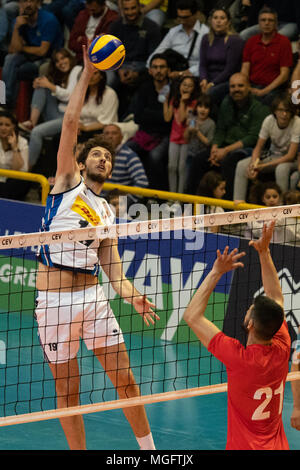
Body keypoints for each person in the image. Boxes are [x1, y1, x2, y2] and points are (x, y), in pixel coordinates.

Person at [34, 44, 159, 451]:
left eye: (108, 156)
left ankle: (150, 451)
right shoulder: (66, 184)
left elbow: (114, 270)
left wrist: (133, 297)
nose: (103, 159)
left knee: (126, 380)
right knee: (68, 392)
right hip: (54, 303)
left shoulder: (107, 211)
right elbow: (70, 123)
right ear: (82, 162)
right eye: (97, 154)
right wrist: (87, 73)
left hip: (94, 297)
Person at [183, 220, 291, 450]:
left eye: (250, 309)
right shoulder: (282, 345)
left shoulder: (239, 358)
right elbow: (277, 298)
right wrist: (264, 252)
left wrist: (216, 272)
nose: (247, 308)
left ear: (250, 324)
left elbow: (192, 316)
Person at [191, 72, 269, 200]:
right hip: (224, 146)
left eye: (240, 86)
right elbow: (220, 129)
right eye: (233, 86)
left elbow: (253, 137)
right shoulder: (226, 102)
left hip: (247, 149)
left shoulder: (259, 108)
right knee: (198, 160)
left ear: (249, 87)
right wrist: (214, 148)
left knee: (229, 162)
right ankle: (193, 206)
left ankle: (227, 211)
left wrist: (226, 150)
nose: (236, 89)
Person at [18, 48, 82, 169]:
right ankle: (31, 122)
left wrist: (49, 85)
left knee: (37, 132)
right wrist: (40, 83)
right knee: (41, 85)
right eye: (57, 61)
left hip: (70, 118)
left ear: (70, 58)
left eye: (63, 58)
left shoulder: (77, 70)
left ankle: (26, 170)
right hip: (57, 113)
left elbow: (70, 95)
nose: (61, 63)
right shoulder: (60, 75)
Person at [233, 93, 300, 202]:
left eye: (287, 111)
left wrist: (264, 166)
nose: (284, 114)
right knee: (242, 165)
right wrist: (253, 165)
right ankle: (238, 206)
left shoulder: (297, 122)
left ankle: (280, 209)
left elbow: (290, 156)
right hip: (273, 155)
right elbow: (258, 147)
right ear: (275, 111)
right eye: (281, 110)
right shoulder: (269, 120)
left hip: (292, 160)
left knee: (281, 169)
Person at [2, 0, 64, 109]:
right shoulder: (19, 21)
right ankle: (3, 100)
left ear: (37, 3)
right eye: (24, 1)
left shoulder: (48, 19)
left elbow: (42, 51)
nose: (28, 4)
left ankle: (8, 106)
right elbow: (13, 50)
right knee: (9, 58)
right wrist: (16, 28)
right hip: (30, 56)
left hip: (49, 59)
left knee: (16, 71)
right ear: (19, 4)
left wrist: (22, 48)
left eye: (31, 1)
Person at [127, 53, 171, 191]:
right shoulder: (145, 88)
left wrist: (150, 115)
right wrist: (161, 116)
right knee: (126, 150)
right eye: (155, 67)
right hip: (144, 134)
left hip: (165, 135)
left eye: (162, 67)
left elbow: (170, 121)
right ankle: (128, 193)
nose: (158, 70)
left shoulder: (174, 89)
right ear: (150, 71)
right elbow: (138, 117)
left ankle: (158, 196)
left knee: (155, 156)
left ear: (168, 70)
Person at [241, 7, 293, 106]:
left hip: (273, 88)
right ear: (259, 24)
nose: (267, 23)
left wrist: (264, 91)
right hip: (252, 84)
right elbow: (245, 69)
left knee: (260, 103)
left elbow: (284, 75)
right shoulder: (251, 41)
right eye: (263, 20)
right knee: (232, 96)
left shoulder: (284, 42)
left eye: (270, 20)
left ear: (276, 24)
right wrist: (246, 86)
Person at [147, 0, 209, 79]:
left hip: (195, 76)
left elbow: (207, 62)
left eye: (186, 17)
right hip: (172, 74)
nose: (182, 21)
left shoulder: (205, 33)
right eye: (180, 17)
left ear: (196, 14)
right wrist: (150, 67)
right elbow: (159, 51)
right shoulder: (173, 31)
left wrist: (183, 73)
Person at [199, 7, 244, 105]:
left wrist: (212, 83)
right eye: (215, 18)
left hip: (225, 81)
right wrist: (204, 79)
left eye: (222, 18)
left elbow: (230, 69)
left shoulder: (235, 40)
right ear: (211, 21)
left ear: (228, 22)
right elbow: (202, 64)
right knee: (187, 86)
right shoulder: (206, 38)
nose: (218, 21)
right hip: (208, 79)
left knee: (210, 93)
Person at [163, 75, 200, 193]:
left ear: (194, 89)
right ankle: (172, 196)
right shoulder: (175, 100)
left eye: (190, 86)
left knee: (181, 168)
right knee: (172, 167)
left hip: (186, 140)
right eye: (184, 85)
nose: (186, 88)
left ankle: (179, 197)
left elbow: (182, 119)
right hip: (174, 138)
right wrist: (166, 101)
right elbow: (167, 118)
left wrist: (184, 102)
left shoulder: (194, 103)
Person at [102, 123, 149, 204]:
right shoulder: (98, 155)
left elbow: (142, 182)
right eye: (107, 133)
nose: (110, 136)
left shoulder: (129, 155)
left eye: (114, 133)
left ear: (121, 137)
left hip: (118, 202)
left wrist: (126, 200)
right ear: (102, 137)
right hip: (99, 199)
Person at [68, 0, 119, 64]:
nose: (90, 13)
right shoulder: (83, 14)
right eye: (88, 9)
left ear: (103, 5)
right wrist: (93, 41)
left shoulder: (112, 18)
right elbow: (71, 44)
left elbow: (102, 48)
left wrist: (82, 40)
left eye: (93, 10)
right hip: (81, 59)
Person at [183, 94, 215, 194]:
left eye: (206, 107)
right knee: (187, 180)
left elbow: (208, 142)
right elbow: (185, 138)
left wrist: (197, 132)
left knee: (198, 182)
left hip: (201, 158)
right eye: (200, 106)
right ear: (196, 108)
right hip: (190, 155)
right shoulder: (193, 120)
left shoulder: (211, 123)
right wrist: (188, 130)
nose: (202, 110)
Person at [77, 68, 119, 142]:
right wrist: (77, 127)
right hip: (82, 129)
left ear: (101, 76)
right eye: (88, 72)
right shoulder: (80, 93)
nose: (91, 76)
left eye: (95, 73)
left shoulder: (109, 94)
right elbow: (76, 115)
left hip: (102, 130)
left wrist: (85, 128)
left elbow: (107, 121)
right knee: (58, 139)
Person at [0, 110, 30, 201]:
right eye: (0, 124)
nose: (3, 128)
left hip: (12, 183)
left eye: (7, 125)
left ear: (13, 127)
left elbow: (22, 170)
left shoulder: (22, 142)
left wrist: (14, 147)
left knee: (20, 182)